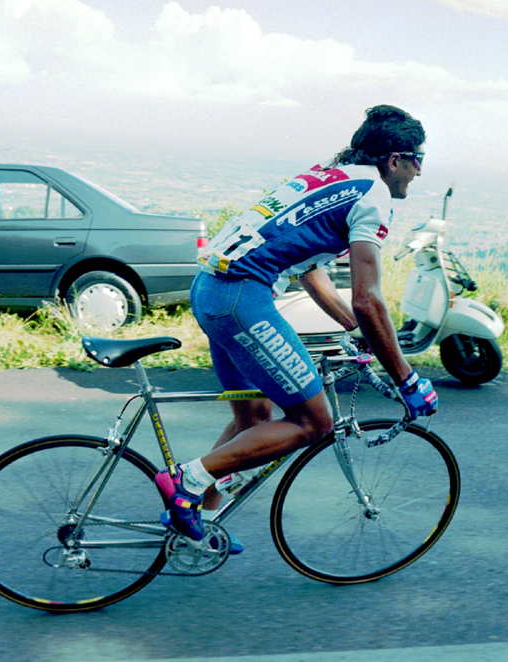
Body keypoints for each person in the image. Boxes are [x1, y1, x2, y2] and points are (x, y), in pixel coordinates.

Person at [155, 104, 438, 545]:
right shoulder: (374, 196)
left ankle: (200, 522)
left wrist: (355, 332)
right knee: (314, 423)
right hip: (240, 298)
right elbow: (369, 298)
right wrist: (407, 378)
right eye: (418, 159)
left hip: (211, 290)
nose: (420, 172)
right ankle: (186, 483)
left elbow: (310, 271)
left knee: (254, 416)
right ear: (394, 160)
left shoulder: (332, 175)